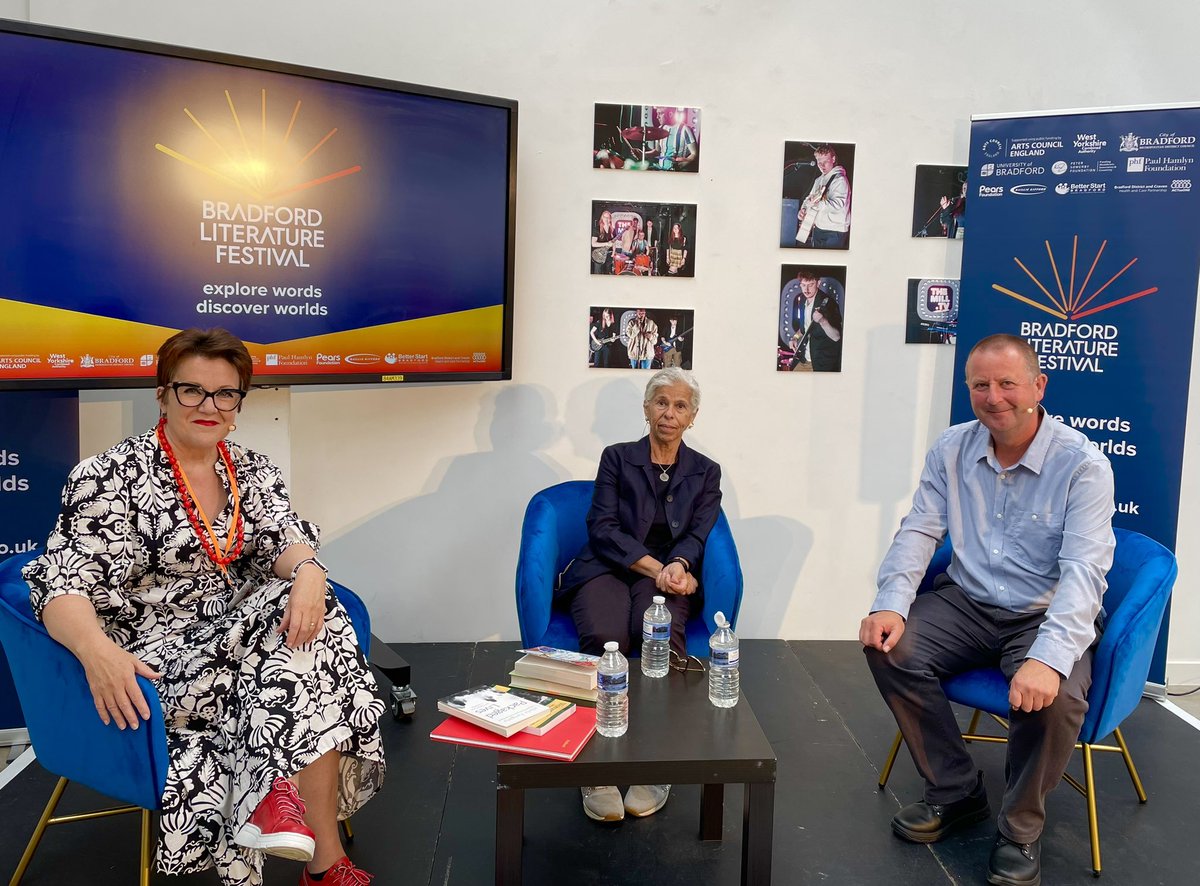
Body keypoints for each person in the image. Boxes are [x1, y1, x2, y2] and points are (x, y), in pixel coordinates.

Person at [22, 328, 386, 886]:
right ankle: (319, 855)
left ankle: (283, 814)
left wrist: (310, 570)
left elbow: (280, 537)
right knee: (310, 652)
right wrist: (96, 651)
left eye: (226, 394)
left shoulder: (251, 469)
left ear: (239, 403)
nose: (208, 406)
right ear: (162, 395)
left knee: (310, 624)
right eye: (191, 391)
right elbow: (62, 581)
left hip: (248, 643)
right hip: (157, 659)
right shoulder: (109, 475)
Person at [860, 334, 1115, 886]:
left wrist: (1048, 659)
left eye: (1007, 383)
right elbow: (920, 530)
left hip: (1043, 613)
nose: (993, 396)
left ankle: (1021, 826)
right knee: (888, 646)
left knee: (1058, 697)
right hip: (967, 601)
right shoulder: (951, 448)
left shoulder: (1082, 465)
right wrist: (890, 604)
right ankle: (956, 791)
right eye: (980, 384)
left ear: (1038, 386)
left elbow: (1083, 574)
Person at [558, 368, 722, 823]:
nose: (670, 413)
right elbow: (603, 528)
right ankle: (594, 770)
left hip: (669, 576)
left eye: (680, 405)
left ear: (693, 417)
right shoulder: (616, 457)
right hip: (607, 568)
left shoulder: (707, 472)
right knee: (608, 638)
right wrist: (661, 569)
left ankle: (657, 760)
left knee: (657, 645)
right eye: (661, 403)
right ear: (647, 409)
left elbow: (700, 532)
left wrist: (681, 565)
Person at [796, 144, 851, 248]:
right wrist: (803, 209)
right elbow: (809, 198)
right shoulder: (819, 180)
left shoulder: (840, 180)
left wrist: (817, 204)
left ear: (833, 159)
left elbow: (838, 205)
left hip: (834, 231)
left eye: (825, 161)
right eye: (819, 162)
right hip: (818, 228)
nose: (821, 165)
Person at [787, 268, 843, 371]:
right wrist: (795, 337)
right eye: (804, 285)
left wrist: (823, 321)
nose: (806, 290)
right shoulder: (803, 299)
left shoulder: (829, 303)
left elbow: (836, 337)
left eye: (811, 284)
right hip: (804, 359)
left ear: (818, 283)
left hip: (821, 364)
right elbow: (804, 328)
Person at [655, 106, 698, 171]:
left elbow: (694, 153)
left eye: (660, 113)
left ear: (670, 114)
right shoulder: (659, 129)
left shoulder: (684, 129)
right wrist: (643, 154)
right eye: (657, 113)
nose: (657, 117)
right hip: (661, 170)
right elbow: (657, 151)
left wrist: (682, 165)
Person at [591, 209, 615, 274]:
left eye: (608, 217)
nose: (606, 219)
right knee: (598, 274)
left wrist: (614, 251)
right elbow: (593, 244)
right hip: (599, 255)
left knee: (607, 273)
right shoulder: (597, 228)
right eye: (605, 217)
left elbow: (613, 241)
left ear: (610, 219)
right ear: (602, 218)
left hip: (608, 255)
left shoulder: (611, 229)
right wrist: (606, 243)